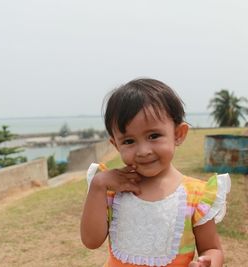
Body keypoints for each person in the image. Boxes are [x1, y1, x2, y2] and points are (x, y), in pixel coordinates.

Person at [80, 78, 230, 267]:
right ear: (115, 145)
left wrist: (210, 262)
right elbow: (91, 241)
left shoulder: (197, 196)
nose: (143, 151)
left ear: (178, 134)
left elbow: (212, 249)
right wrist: (98, 186)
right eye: (128, 141)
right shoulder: (112, 189)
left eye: (154, 136)